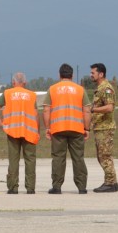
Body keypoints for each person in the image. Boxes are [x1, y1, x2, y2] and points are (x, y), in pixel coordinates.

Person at [44, 63, 91, 194]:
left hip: (58, 129)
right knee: (78, 158)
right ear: (72, 75)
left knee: (58, 158)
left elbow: (46, 110)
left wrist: (47, 127)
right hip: (77, 129)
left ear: (59, 75)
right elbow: (87, 110)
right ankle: (82, 187)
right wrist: (87, 129)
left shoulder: (52, 89)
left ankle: (57, 187)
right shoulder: (80, 89)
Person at [0, 72, 40, 194]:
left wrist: (1, 125)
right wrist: (37, 131)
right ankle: (30, 188)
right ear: (25, 83)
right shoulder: (31, 95)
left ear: (13, 82)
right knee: (30, 160)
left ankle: (13, 187)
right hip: (29, 131)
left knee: (13, 160)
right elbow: (35, 114)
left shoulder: (7, 93)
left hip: (12, 131)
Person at [90, 62, 118, 192]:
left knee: (105, 156)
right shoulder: (100, 88)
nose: (91, 75)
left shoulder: (106, 88)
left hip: (105, 128)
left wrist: (93, 110)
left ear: (101, 74)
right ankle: (113, 182)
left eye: (93, 73)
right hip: (100, 127)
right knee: (102, 156)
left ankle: (110, 183)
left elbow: (109, 107)